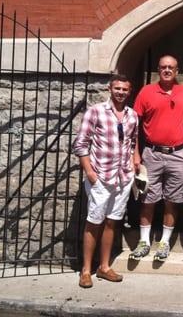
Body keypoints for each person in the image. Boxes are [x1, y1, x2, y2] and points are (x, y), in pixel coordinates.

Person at [73, 74, 138, 288]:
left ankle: (104, 266)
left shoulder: (132, 115)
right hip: (101, 176)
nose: (120, 92)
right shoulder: (96, 112)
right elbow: (81, 144)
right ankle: (86, 270)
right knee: (94, 221)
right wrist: (90, 172)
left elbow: (132, 142)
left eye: (124, 89)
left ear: (129, 91)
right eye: (117, 88)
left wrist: (133, 160)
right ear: (110, 89)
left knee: (112, 221)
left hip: (123, 177)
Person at [130, 55, 183, 263]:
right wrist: (135, 153)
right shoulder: (146, 92)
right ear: (158, 69)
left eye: (171, 67)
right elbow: (134, 126)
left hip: (178, 154)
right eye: (163, 67)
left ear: (177, 71)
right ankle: (144, 241)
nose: (167, 70)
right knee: (148, 198)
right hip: (151, 154)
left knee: (172, 199)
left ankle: (164, 242)